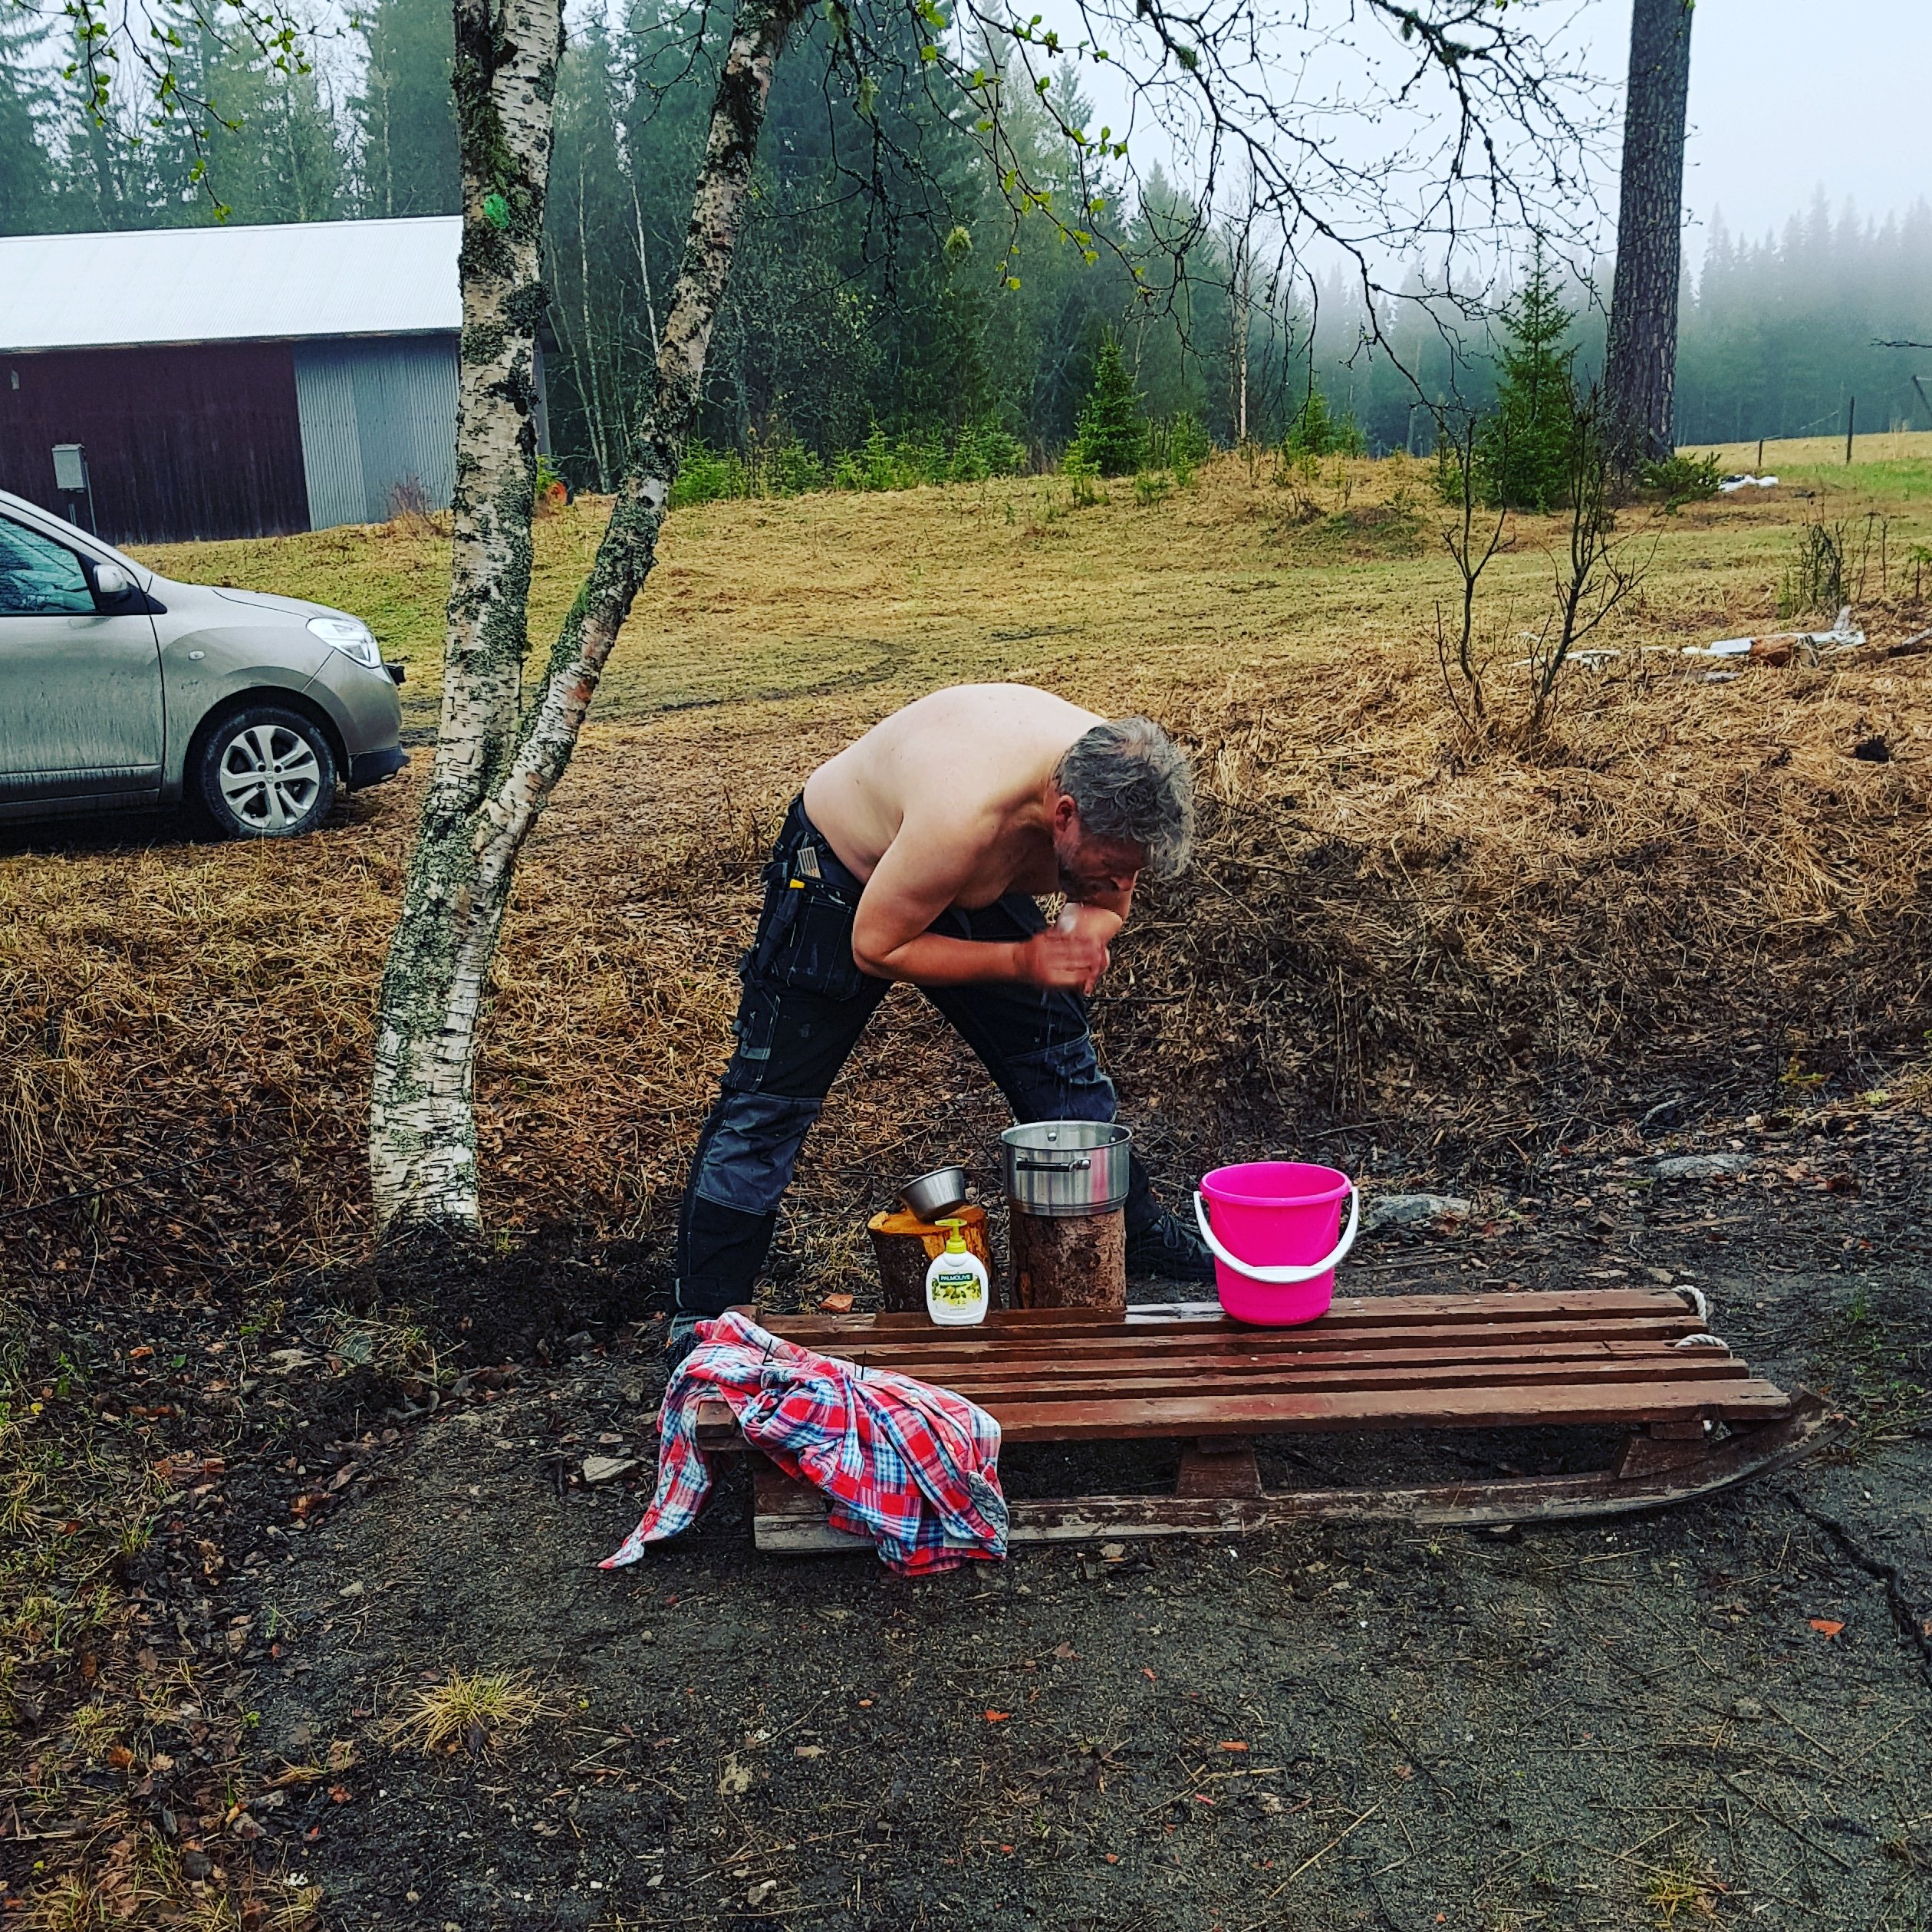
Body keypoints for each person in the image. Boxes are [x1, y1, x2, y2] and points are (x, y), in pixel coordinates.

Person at [668, 683, 1213, 1357]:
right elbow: (877, 946)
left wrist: (1076, 937)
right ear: (1064, 815)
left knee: (1059, 1061)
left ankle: (1132, 1228)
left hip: (968, 868)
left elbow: (1104, 903)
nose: (1123, 882)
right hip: (845, 877)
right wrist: (1022, 960)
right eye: (1113, 867)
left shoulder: (1120, 785)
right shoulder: (965, 814)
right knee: (769, 1103)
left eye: (1133, 870)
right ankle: (705, 1312)